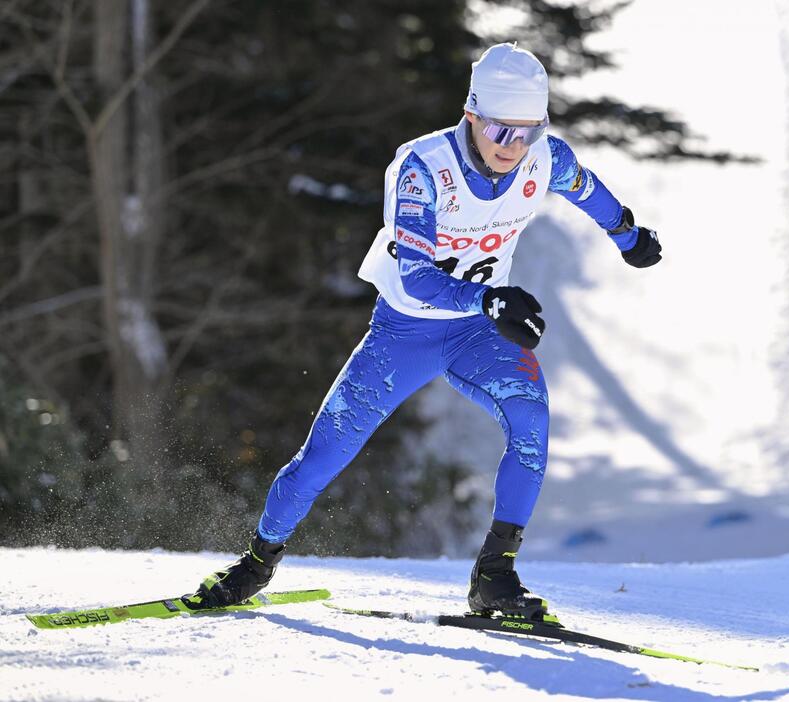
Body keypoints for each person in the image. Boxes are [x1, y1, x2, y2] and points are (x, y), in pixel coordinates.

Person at [186, 43, 661, 619]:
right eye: (501, 132)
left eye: (528, 133)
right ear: (472, 116)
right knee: (323, 457)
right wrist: (489, 298)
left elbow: (586, 189)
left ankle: (495, 576)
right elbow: (416, 280)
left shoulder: (545, 157)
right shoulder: (421, 169)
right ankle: (254, 565)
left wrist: (628, 234)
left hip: (475, 333)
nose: (514, 148)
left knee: (532, 421)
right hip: (403, 333)